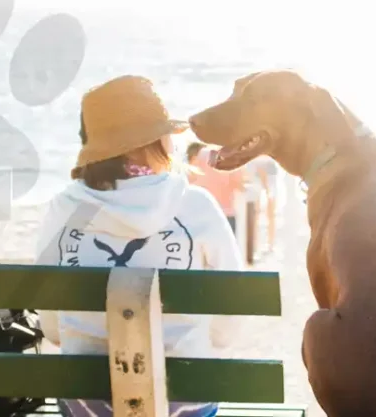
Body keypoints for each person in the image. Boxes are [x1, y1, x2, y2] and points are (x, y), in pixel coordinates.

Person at [33, 75, 244, 417]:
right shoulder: (196, 205)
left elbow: (52, 327)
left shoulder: (64, 208)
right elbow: (229, 319)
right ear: (154, 141)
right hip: (186, 399)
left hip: (87, 402)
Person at [186, 141, 245, 238]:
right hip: (226, 214)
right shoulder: (232, 155)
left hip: (202, 214)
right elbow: (239, 184)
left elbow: (190, 179)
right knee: (226, 251)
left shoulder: (201, 154)